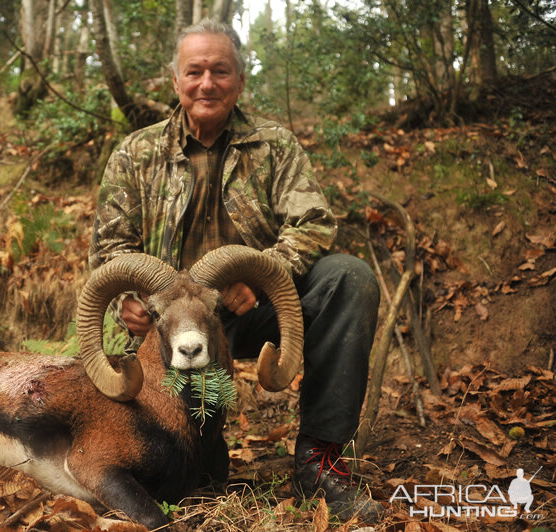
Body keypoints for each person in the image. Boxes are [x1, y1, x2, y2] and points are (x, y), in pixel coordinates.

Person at [89, 18, 383, 523]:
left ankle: (320, 462)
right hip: (167, 326)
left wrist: (267, 275)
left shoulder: (274, 146)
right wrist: (130, 303)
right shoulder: (135, 154)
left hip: (249, 310)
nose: (208, 83)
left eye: (221, 71)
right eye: (195, 71)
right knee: (201, 475)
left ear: (240, 80)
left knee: (348, 277)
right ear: (175, 80)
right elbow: (110, 248)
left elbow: (313, 222)